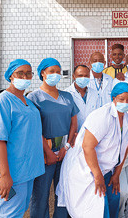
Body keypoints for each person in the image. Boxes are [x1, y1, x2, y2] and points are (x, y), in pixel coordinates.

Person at [56, 82, 128, 218]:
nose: (125, 102)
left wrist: (116, 174)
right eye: (121, 99)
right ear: (113, 98)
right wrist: (98, 176)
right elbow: (88, 146)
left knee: (113, 200)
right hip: (88, 170)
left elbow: (124, 148)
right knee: (97, 209)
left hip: (107, 170)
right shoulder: (102, 116)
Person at [0, 59, 45, 217]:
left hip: (25, 171)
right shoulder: (2, 102)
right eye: (20, 73)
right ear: (11, 76)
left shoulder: (27, 103)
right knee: (9, 214)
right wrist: (4, 175)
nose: (25, 76)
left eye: (28, 73)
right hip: (9, 172)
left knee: (20, 211)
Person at [29, 58, 79, 218]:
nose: (56, 75)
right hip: (44, 154)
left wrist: (66, 148)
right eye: (52, 72)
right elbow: (35, 129)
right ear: (42, 73)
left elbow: (73, 124)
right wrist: (48, 152)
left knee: (63, 192)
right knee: (40, 195)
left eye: (58, 72)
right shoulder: (33, 98)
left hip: (65, 151)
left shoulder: (67, 96)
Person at [66, 65, 96, 131]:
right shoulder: (67, 94)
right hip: (74, 134)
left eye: (86, 76)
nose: (83, 78)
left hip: (91, 133)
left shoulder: (95, 93)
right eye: (80, 75)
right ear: (74, 76)